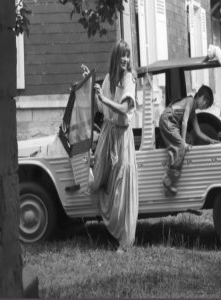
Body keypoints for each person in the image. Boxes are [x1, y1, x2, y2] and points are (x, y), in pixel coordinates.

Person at [92, 40, 138, 254]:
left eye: (128, 56)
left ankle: (125, 241)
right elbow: (104, 109)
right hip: (108, 134)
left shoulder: (129, 79)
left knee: (122, 187)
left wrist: (105, 100)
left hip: (122, 137)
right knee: (102, 181)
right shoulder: (110, 78)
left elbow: (124, 109)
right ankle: (113, 228)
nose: (126, 60)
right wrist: (98, 94)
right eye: (122, 56)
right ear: (115, 57)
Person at [159, 85, 219, 195]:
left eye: (207, 105)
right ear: (199, 96)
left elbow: (198, 132)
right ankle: (168, 178)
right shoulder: (190, 101)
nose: (205, 105)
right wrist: (183, 142)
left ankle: (170, 182)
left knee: (184, 143)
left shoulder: (193, 113)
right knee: (181, 146)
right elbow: (184, 122)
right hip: (168, 120)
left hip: (171, 123)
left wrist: (210, 140)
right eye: (205, 101)